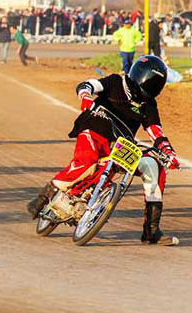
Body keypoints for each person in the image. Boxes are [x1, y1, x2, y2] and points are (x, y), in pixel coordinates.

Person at [26, 55, 179, 245]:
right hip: (94, 129)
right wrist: (86, 98)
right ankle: (44, 196)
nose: (150, 87)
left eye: (156, 85)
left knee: (154, 166)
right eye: (150, 82)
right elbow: (87, 85)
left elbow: (156, 132)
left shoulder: (149, 105)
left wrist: (168, 151)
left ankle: (151, 231)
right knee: (87, 161)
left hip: (121, 146)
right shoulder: (115, 82)